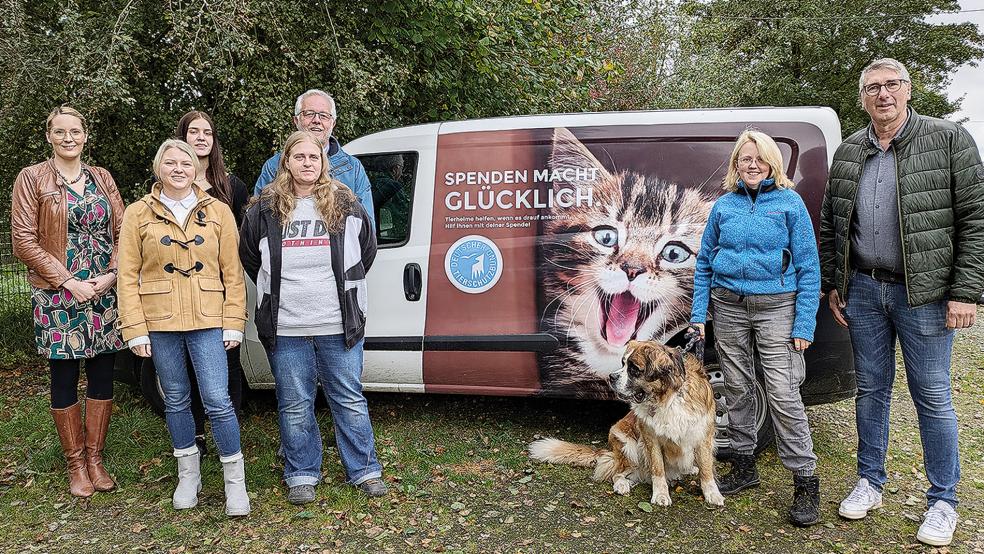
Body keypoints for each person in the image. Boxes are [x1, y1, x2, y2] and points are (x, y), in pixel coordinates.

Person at [820, 58, 984, 547]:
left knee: (932, 396)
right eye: (872, 87)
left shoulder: (948, 139)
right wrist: (837, 282)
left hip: (928, 295)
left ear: (908, 90)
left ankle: (943, 501)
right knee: (870, 389)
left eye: (891, 85)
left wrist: (966, 292)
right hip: (865, 291)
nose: (882, 94)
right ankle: (870, 481)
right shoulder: (850, 150)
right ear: (863, 96)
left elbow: (975, 220)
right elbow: (833, 224)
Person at [240, 131, 386, 505]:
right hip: (286, 324)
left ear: (323, 163)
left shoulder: (344, 202)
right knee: (293, 401)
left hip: (338, 322)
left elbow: (365, 251)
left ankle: (365, 470)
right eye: (299, 156)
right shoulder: (265, 208)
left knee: (349, 398)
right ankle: (302, 472)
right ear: (286, 161)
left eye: (314, 157)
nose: (307, 163)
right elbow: (250, 258)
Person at [690, 129, 822, 526]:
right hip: (728, 306)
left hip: (777, 307)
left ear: (771, 163)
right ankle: (745, 468)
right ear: (735, 164)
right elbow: (704, 263)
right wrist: (699, 314)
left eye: (759, 158)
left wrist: (804, 323)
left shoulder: (789, 203)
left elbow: (808, 267)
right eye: (744, 158)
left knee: (782, 393)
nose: (751, 164)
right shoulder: (724, 206)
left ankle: (805, 480)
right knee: (737, 388)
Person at [116, 139, 250, 516]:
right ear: (158, 168)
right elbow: (127, 276)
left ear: (196, 168)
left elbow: (233, 273)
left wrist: (233, 321)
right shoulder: (137, 213)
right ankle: (188, 476)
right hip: (159, 320)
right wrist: (135, 328)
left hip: (208, 317)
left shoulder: (219, 211)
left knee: (217, 400)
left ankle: (234, 482)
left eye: (185, 163)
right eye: (170, 163)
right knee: (175, 398)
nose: (178, 169)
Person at [10, 105, 126, 498]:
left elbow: (124, 229)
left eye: (74, 131)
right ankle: (75, 462)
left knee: (102, 373)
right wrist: (67, 281)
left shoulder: (102, 177)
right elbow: (23, 240)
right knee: (64, 376)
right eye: (60, 132)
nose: (68, 138)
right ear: (49, 136)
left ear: (85, 135)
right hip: (58, 294)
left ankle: (96, 458)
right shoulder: (32, 178)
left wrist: (111, 274)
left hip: (102, 291)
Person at [174, 110, 250, 455]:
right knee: (189, 358)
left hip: (220, 285)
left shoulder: (232, 187)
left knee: (227, 355)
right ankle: (197, 433)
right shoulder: (172, 186)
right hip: (180, 287)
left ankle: (227, 428)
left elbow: (243, 240)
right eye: (194, 131)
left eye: (207, 132)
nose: (201, 137)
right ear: (183, 138)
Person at [253, 89, 375, 227]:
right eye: (309, 114)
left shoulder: (353, 168)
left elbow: (366, 228)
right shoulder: (273, 166)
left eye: (323, 115)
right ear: (296, 120)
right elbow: (258, 224)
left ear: (333, 123)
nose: (316, 120)